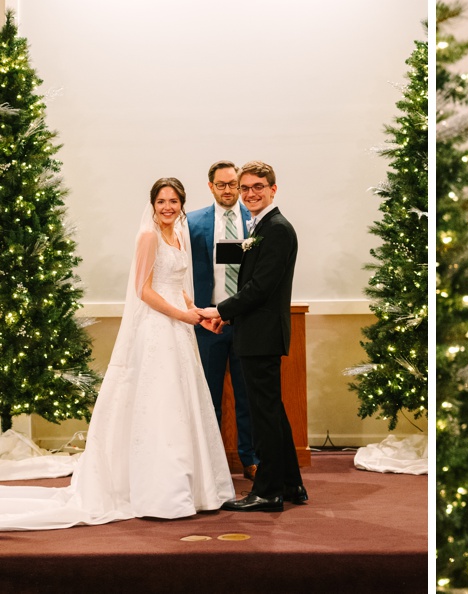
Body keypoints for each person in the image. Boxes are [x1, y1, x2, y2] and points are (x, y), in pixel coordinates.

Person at [0, 178, 234, 530]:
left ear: (182, 204)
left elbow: (178, 289)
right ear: (152, 205)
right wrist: (183, 316)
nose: (167, 207)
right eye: (161, 201)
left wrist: (199, 315)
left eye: (173, 201)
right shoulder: (148, 237)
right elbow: (143, 290)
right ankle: (160, 491)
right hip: (157, 329)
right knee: (159, 401)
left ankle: (194, 487)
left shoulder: (180, 235)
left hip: (180, 328)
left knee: (183, 401)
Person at [198, 161, 305, 513]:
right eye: (245, 188)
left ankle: (268, 492)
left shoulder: (277, 229)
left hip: (262, 334)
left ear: (274, 189)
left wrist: (220, 311)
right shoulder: (263, 225)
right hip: (254, 330)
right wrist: (231, 318)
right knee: (271, 411)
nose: (249, 194)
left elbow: (260, 288)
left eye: (258, 187)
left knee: (263, 414)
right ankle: (291, 484)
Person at [188, 160, 259, 480]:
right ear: (211, 186)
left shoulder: (257, 220)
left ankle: (251, 459)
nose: (229, 190)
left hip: (245, 321)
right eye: (222, 184)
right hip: (206, 323)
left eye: (234, 184)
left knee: (248, 396)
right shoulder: (193, 223)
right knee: (208, 397)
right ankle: (212, 464)